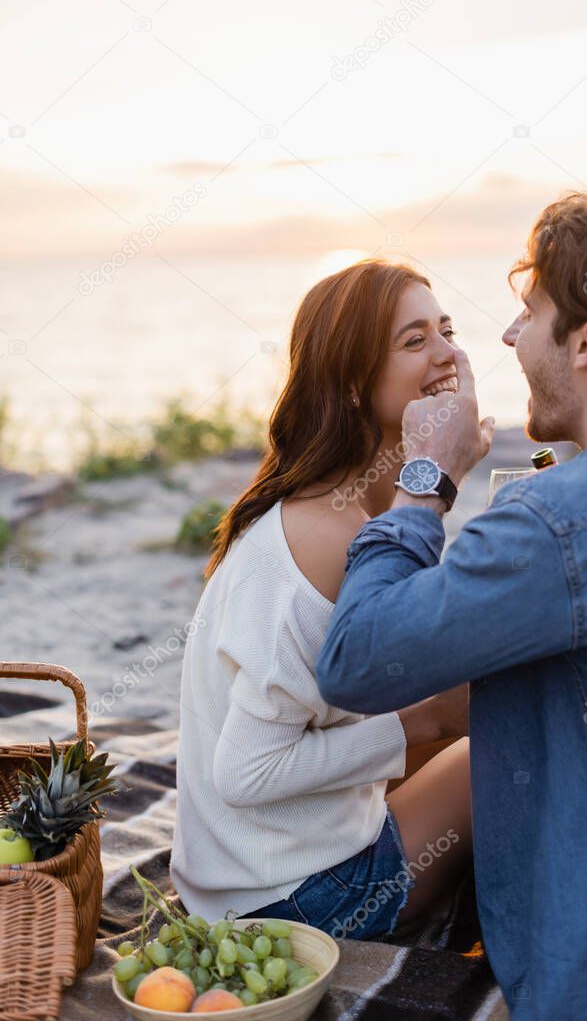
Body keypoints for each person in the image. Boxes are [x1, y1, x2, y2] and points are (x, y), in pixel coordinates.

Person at [316, 193, 587, 1019]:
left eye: (529, 313)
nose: (508, 338)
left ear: (585, 341)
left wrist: (424, 481)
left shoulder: (560, 518)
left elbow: (356, 658)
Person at [170, 259, 474, 941]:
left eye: (447, 331)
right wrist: (424, 722)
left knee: (466, 715)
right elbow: (247, 773)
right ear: (350, 385)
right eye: (414, 340)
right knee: (493, 755)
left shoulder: (343, 511)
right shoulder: (326, 536)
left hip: (245, 871)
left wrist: (439, 471)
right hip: (284, 906)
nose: (449, 353)